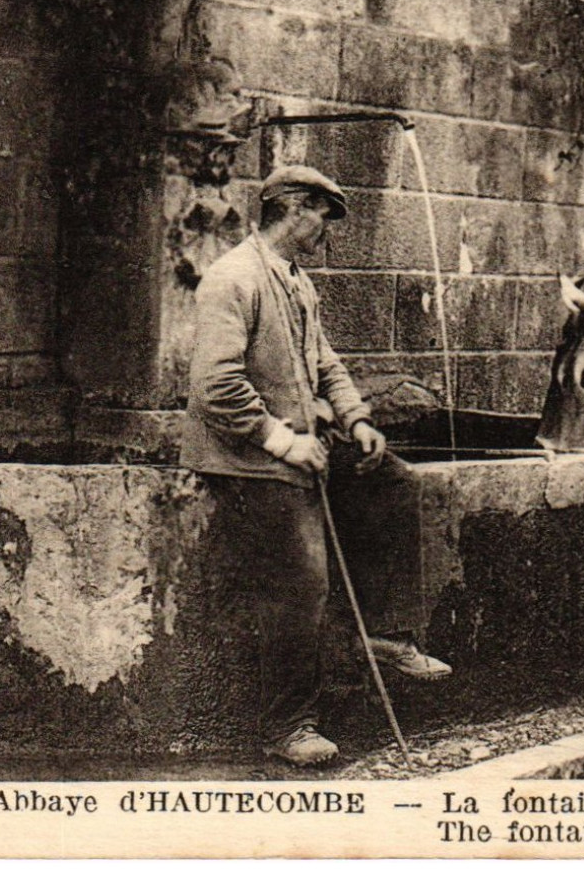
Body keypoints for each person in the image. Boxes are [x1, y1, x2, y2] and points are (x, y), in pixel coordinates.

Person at [180, 164, 450, 767]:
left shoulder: (297, 281)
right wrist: (283, 441)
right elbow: (214, 387)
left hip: (302, 443)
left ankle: (382, 634)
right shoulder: (233, 280)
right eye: (325, 214)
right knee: (303, 581)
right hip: (245, 460)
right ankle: (289, 725)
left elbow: (324, 362)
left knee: (394, 486)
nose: (328, 229)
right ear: (296, 208)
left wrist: (356, 420)